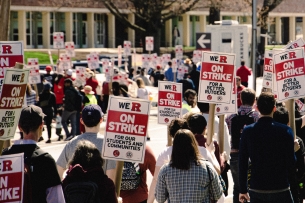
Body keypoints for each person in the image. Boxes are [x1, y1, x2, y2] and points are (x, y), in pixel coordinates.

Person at [239, 92, 296, 203]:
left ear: (257, 108)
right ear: (274, 109)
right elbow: (291, 163)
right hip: (280, 186)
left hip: (257, 186)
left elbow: (243, 162)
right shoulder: (286, 131)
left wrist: (243, 189)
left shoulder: (248, 131)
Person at [147, 118, 220, 203]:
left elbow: (160, 198)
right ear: (194, 144)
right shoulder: (207, 168)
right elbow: (217, 194)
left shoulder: (165, 170)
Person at [2, 105, 65, 203]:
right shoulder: (46, 160)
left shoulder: (6, 156)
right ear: (41, 126)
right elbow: (57, 200)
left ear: (19, 127)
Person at [57, 104, 116, 181]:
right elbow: (111, 179)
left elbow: (58, 170)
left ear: (82, 121)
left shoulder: (72, 143)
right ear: (101, 120)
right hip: (99, 191)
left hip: (76, 191)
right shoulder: (108, 144)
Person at [225, 88, 260, 203]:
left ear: (240, 99)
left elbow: (227, 131)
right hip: (252, 154)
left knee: (237, 186)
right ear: (254, 100)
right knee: (252, 187)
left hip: (235, 154)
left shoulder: (231, 116)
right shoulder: (256, 116)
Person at [273, 106, 305, 203]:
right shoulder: (296, 141)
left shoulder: (268, 139)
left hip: (273, 185)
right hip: (291, 185)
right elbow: (301, 167)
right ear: (288, 122)